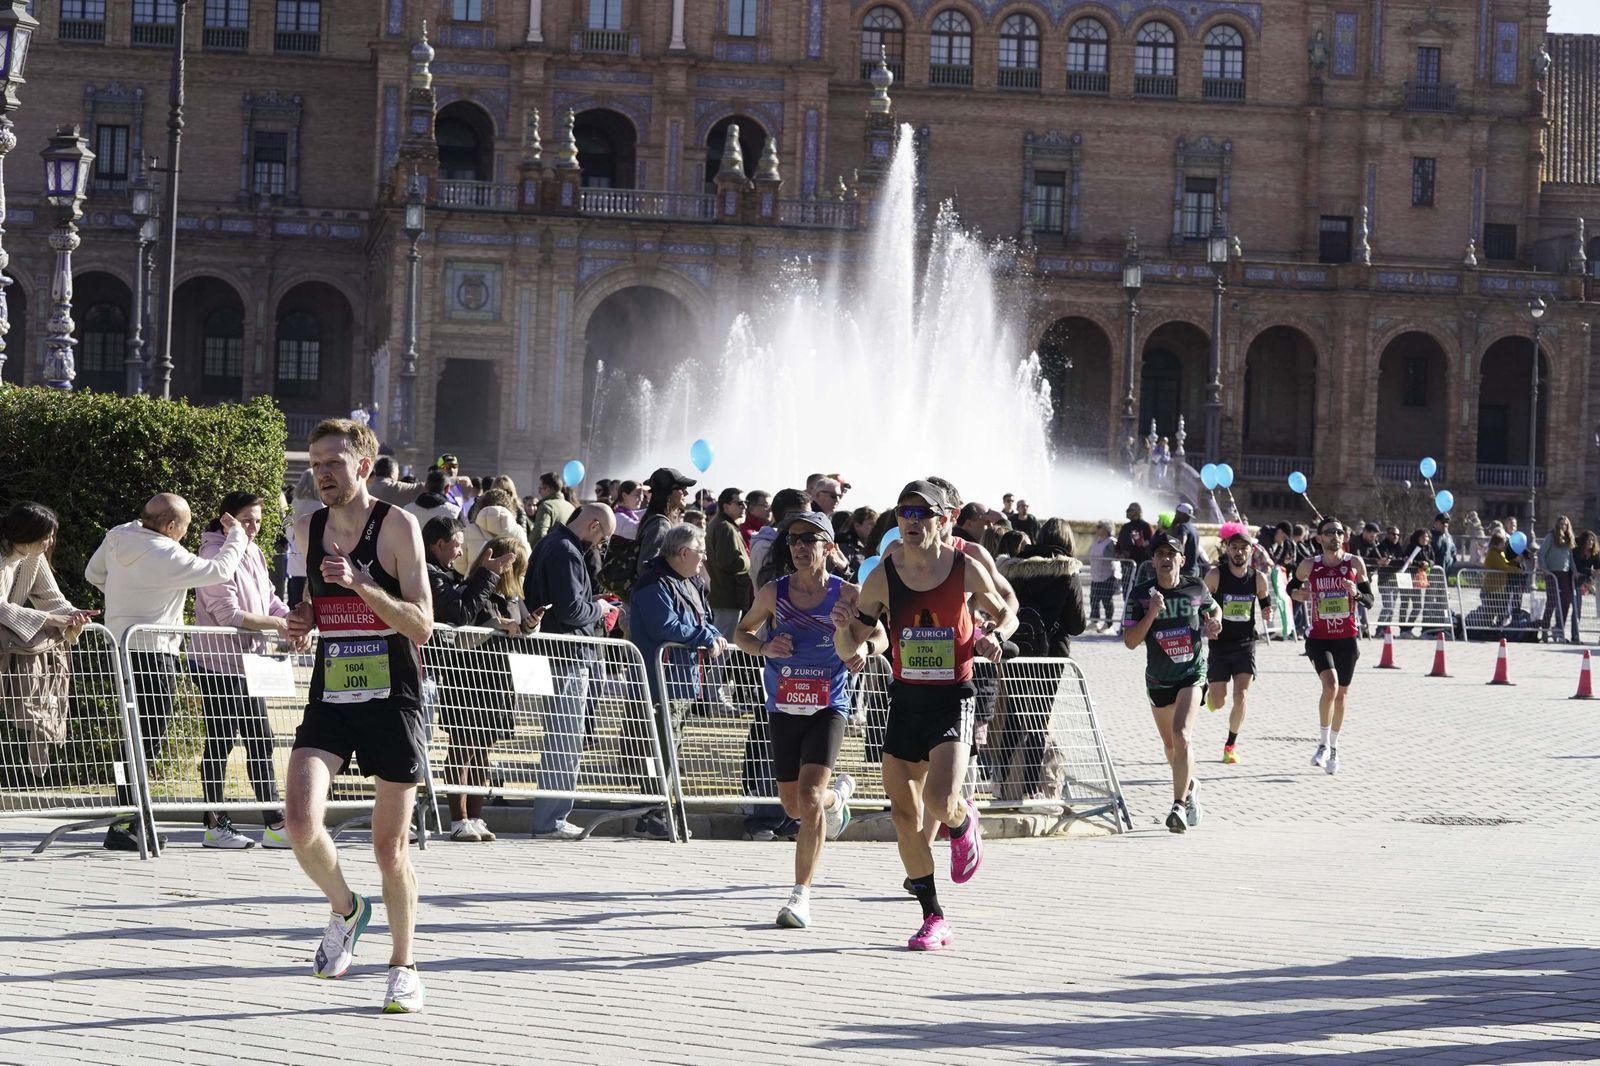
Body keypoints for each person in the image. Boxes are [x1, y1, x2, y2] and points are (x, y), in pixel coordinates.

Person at [281, 418, 432, 1014]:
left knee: (389, 847)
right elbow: (311, 606)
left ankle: (404, 966)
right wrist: (301, 622)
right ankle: (347, 908)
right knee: (298, 821)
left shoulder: (398, 526)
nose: (321, 472)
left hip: (392, 696)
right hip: (332, 691)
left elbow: (421, 622)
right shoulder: (306, 527)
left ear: (363, 467)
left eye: (333, 462)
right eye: (315, 462)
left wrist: (365, 585)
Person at [834, 481, 1011, 952]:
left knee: (939, 797)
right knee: (904, 815)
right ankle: (933, 917)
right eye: (903, 512)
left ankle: (960, 820)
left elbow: (1006, 610)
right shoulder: (883, 575)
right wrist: (842, 633)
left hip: (954, 694)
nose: (910, 521)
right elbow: (857, 639)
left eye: (921, 513)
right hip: (906, 699)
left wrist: (992, 633)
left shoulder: (964, 567)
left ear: (943, 519)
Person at [735, 511, 883, 928]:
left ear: (829, 547)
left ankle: (800, 896)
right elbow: (741, 633)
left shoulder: (849, 594)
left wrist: (865, 652)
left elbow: (881, 636)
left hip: (829, 704)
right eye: (794, 539)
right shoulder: (772, 592)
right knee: (793, 804)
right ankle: (840, 799)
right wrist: (765, 649)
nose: (800, 546)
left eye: (810, 539)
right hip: (784, 703)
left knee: (810, 797)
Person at [87, 493, 248, 852]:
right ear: (171, 526)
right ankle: (128, 823)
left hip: (120, 645)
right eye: (185, 529)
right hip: (155, 650)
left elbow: (93, 573)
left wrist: (126, 597)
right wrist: (237, 535)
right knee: (149, 737)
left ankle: (127, 818)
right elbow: (218, 571)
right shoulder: (168, 553)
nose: (186, 536)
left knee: (132, 735)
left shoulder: (118, 535)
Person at [191, 493, 294, 850]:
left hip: (251, 663)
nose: (253, 527)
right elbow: (229, 615)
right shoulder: (213, 554)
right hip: (216, 663)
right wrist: (278, 627)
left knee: (260, 739)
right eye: (247, 520)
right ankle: (215, 823)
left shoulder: (253, 550)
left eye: (259, 521)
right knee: (221, 742)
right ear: (227, 520)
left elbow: (269, 599)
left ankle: (275, 822)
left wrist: (291, 620)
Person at [524, 504, 619, 840]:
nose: (600, 545)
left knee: (563, 738)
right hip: (567, 654)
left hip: (555, 652)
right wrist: (601, 607)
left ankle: (552, 818)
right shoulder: (565, 550)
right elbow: (572, 610)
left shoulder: (551, 543)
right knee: (565, 740)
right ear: (593, 525)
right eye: (603, 537)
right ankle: (551, 820)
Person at [422, 515, 518, 843]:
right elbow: (460, 618)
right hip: (462, 676)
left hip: (492, 679)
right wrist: (487, 576)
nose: (460, 553)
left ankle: (476, 816)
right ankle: (457, 818)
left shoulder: (455, 578)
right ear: (439, 544)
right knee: (462, 748)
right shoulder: (436, 576)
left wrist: (525, 623)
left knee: (482, 750)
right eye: (456, 546)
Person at [631, 521, 726, 841]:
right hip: (660, 681)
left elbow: (705, 620)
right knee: (659, 748)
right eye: (700, 553)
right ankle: (653, 812)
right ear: (683, 552)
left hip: (684, 680)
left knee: (674, 747)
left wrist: (710, 634)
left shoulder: (691, 581)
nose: (704, 559)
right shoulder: (654, 583)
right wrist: (703, 636)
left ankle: (664, 808)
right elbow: (666, 626)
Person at [1123, 532, 1221, 834]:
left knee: (1182, 735)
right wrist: (1151, 611)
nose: (1166, 559)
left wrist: (1215, 621)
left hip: (1191, 673)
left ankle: (1178, 806)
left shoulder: (1195, 586)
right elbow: (1130, 641)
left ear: (1182, 559)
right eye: (1160, 554)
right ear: (1153, 561)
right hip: (1158, 679)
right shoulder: (1141, 593)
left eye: (1171, 554)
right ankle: (1190, 787)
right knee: (1170, 746)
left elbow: (1213, 608)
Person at [0, 503, 98, 781]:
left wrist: (73, 615)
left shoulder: (32, 554)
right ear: (27, 533)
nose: (50, 542)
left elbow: (51, 598)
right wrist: (50, 619)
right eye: (47, 536)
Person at [1290, 515, 1374, 777]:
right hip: (1319, 637)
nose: (1335, 536)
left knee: (1342, 696)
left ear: (1344, 537)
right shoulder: (1308, 565)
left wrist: (1356, 593)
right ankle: (1323, 744)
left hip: (1347, 639)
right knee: (1330, 686)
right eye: (1329, 532)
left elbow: (1369, 600)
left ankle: (1333, 747)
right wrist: (1297, 594)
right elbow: (1291, 587)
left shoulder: (1354, 563)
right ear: (1319, 538)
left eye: (1339, 532)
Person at [1203, 523, 1272, 765]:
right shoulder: (1215, 575)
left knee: (1241, 695)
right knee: (1219, 701)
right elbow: (1200, 603)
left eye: (1244, 548)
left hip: (1245, 643)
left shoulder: (1258, 578)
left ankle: (1230, 746)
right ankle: (1210, 692)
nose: (1239, 552)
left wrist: (1267, 612)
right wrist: (1208, 622)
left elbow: (1265, 600)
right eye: (1235, 548)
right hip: (1220, 645)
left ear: (1251, 551)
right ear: (1228, 549)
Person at [706, 487, 752, 637]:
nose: (744, 506)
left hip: (725, 595)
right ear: (725, 506)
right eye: (739, 503)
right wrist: (750, 562)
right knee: (723, 645)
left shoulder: (722, 525)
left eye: (745, 502)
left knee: (722, 644)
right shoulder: (724, 527)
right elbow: (728, 562)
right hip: (728, 596)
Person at [636, 467, 695, 579]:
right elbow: (646, 568)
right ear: (667, 493)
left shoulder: (656, 520)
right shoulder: (660, 525)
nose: (686, 493)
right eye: (681, 488)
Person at [751, 488, 809, 590]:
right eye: (806, 516)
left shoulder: (798, 542)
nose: (810, 520)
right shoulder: (764, 547)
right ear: (789, 516)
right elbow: (772, 591)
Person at [286, 469, 321, 607]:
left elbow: (288, 530)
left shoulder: (295, 503)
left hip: (295, 551)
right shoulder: (319, 506)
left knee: (295, 591)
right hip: (313, 553)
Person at [1541, 516, 1577, 641]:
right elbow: (1541, 553)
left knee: (1566, 601)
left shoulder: (1568, 539)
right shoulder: (1551, 537)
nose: (1563, 527)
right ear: (1557, 525)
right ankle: (1545, 628)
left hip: (1564, 573)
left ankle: (1559, 628)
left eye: (1566, 524)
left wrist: (1575, 570)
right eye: (1561, 524)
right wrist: (1544, 568)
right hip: (1552, 573)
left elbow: (1570, 557)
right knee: (1551, 601)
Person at [1396, 529, 1434, 637]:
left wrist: (1428, 563)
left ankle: (1408, 627)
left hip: (1418, 580)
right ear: (1417, 537)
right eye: (1423, 537)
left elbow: (1433, 560)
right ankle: (1402, 629)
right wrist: (1418, 563)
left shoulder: (1429, 548)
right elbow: (1406, 559)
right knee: (1405, 604)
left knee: (1417, 606)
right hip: (1407, 578)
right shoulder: (1411, 546)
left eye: (1427, 537)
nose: (1425, 539)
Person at [1086, 521, 1119, 632]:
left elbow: (1113, 557)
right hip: (1095, 577)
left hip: (1107, 576)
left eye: (1099, 527)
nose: (1097, 529)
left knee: (1106, 601)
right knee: (1093, 600)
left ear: (1106, 529)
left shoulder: (1111, 543)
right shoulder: (1097, 541)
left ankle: (1108, 624)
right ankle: (1094, 621)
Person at [529, 471, 577, 543]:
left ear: (548, 489)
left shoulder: (547, 506)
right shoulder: (571, 507)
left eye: (540, 488)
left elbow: (538, 536)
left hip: (548, 552)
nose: (538, 491)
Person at [1573, 529, 1599, 645]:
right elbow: (1578, 567)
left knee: (1579, 609)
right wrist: (1591, 573)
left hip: (1585, 580)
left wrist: (1596, 572)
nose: (1591, 543)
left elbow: (1598, 565)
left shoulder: (1594, 552)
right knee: (1576, 608)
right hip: (1574, 581)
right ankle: (1575, 635)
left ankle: (1575, 635)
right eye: (1589, 540)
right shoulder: (1576, 551)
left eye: (1593, 541)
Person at [1115, 503, 1154, 569]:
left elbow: (1151, 543)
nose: (1126, 512)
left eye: (1129, 510)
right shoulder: (1125, 527)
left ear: (1136, 511)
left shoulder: (1145, 526)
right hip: (1125, 564)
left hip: (1140, 564)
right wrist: (1118, 553)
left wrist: (1139, 543)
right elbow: (1119, 543)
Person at [1169, 502, 1202, 577]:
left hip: (1185, 571)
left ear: (1182, 514)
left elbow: (1180, 545)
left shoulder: (1183, 527)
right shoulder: (1193, 529)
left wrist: (1168, 539)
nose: (1175, 514)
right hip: (1194, 569)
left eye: (1177, 512)